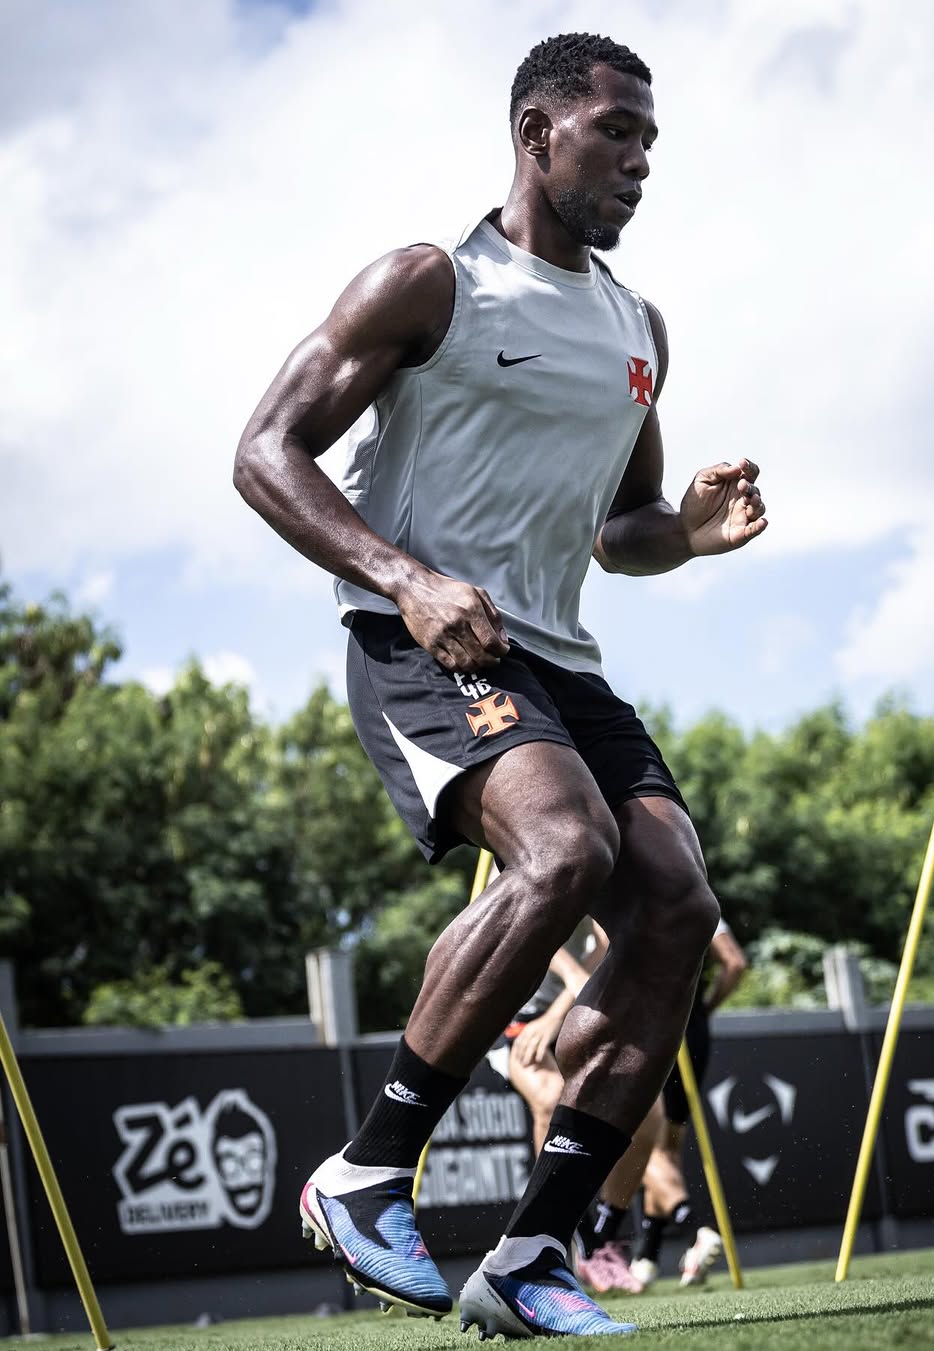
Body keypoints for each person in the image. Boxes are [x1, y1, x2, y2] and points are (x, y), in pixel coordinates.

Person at [234, 30, 767, 1340]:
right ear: (537, 133)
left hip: (561, 657)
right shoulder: (434, 283)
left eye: (650, 140)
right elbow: (265, 452)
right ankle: (367, 1172)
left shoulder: (637, 330)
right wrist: (405, 576)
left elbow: (622, 527)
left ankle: (534, 1251)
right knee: (567, 846)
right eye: (616, 133)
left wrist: (687, 532)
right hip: (423, 636)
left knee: (680, 905)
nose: (640, 162)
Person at [485, 917, 664, 1296]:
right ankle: (569, 1236)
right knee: (551, 1100)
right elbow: (535, 926)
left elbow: (611, 938)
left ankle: (603, 1236)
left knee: (649, 1114)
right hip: (515, 1016)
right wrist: (570, 984)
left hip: (576, 1008)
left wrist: (566, 1001)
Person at [631, 922, 747, 1289]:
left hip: (648, 1029)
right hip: (692, 1028)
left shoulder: (632, 900)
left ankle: (695, 1228)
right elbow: (734, 964)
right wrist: (705, 1010)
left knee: (641, 1145)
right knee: (666, 1148)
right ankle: (647, 1257)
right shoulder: (699, 899)